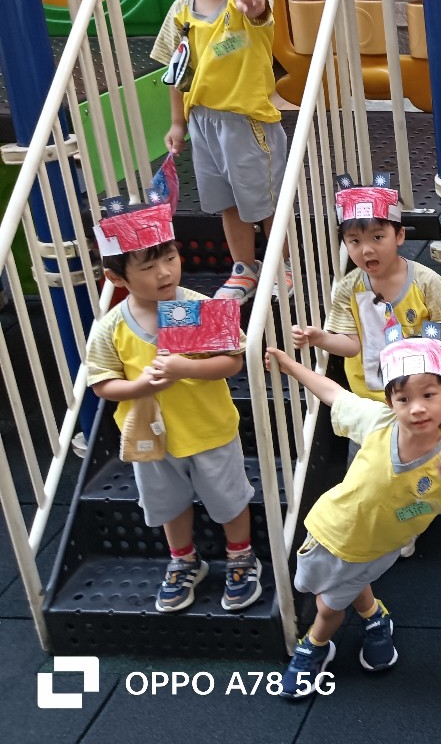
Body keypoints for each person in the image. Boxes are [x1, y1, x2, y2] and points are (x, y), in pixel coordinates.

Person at [268, 331, 441, 697]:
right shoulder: (379, 422)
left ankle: (315, 645)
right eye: (404, 398)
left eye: (429, 395)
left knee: (327, 606)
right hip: (331, 530)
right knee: (345, 581)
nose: (417, 408)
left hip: (378, 546)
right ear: (390, 401)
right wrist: (290, 365)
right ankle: (374, 617)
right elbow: (333, 393)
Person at [86, 197, 260, 614]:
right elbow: (103, 383)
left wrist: (185, 368)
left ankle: (241, 556)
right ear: (117, 277)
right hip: (153, 440)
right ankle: (184, 560)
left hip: (209, 429)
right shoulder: (111, 326)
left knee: (229, 499)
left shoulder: (196, 306)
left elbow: (232, 362)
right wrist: (139, 386)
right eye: (148, 267)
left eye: (169, 257)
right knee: (168, 503)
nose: (165, 272)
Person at [152, 0, 285, 302]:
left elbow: (261, 2)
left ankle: (282, 266)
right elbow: (176, 72)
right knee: (227, 203)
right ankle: (244, 268)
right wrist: (177, 123)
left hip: (247, 122)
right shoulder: (181, 10)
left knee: (264, 203)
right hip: (202, 123)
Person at [291, 174, 441, 402]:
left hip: (418, 392)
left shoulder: (425, 280)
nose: (367, 249)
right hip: (368, 395)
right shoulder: (348, 288)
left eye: (377, 237)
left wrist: (418, 340)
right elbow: (351, 346)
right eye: (355, 241)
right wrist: (320, 338)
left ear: (399, 235)